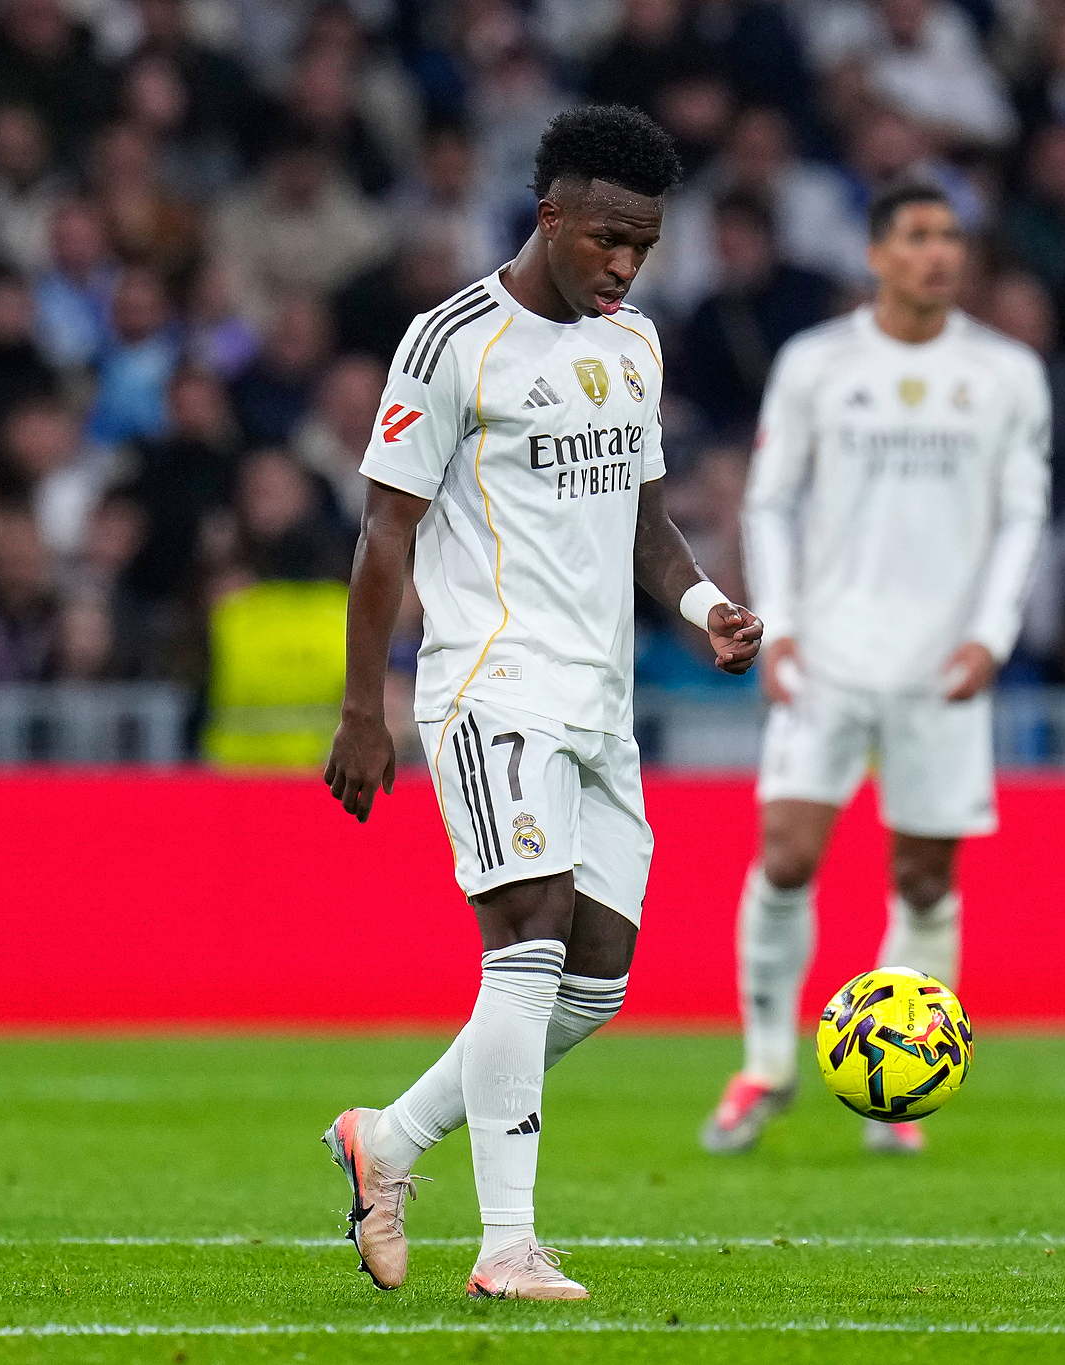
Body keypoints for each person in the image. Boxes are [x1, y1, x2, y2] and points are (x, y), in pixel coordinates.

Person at [317, 105, 763, 1302]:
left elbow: (646, 520)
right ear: (550, 216)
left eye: (645, 247)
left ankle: (389, 1140)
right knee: (526, 949)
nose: (624, 265)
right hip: (489, 682)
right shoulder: (448, 339)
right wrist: (368, 708)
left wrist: (705, 605)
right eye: (608, 239)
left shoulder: (634, 346)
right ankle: (507, 1245)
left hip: (600, 703)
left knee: (598, 979)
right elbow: (383, 528)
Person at [699, 181, 1050, 1156]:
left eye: (950, 237)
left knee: (924, 880)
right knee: (785, 854)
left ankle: (897, 1095)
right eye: (917, 237)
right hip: (832, 656)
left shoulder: (1005, 371)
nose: (938, 253)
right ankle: (764, 1065)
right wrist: (779, 625)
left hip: (943, 665)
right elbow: (769, 501)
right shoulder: (816, 364)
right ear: (876, 253)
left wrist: (992, 632)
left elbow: (1024, 514)